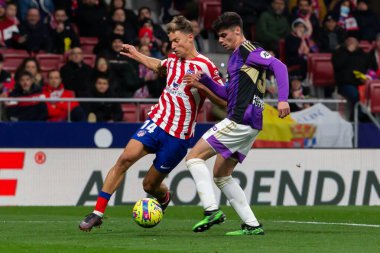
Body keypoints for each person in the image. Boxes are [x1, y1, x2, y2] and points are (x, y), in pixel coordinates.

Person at [78, 15, 226, 232]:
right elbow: (158, 66)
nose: (173, 45)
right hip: (157, 121)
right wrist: (136, 54)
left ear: (190, 37)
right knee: (125, 159)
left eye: (176, 40)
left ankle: (164, 197)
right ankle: (97, 213)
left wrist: (203, 86)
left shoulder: (206, 66)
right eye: (171, 41)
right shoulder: (173, 61)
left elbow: (224, 100)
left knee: (149, 185)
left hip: (178, 136)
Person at [183, 12, 290, 236]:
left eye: (224, 35)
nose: (220, 40)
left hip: (240, 119)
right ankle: (252, 224)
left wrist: (282, 99)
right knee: (221, 175)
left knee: (193, 158)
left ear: (237, 31)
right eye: (218, 37)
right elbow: (228, 93)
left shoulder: (247, 49)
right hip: (250, 124)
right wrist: (204, 81)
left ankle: (211, 210)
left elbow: (279, 66)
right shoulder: (235, 58)